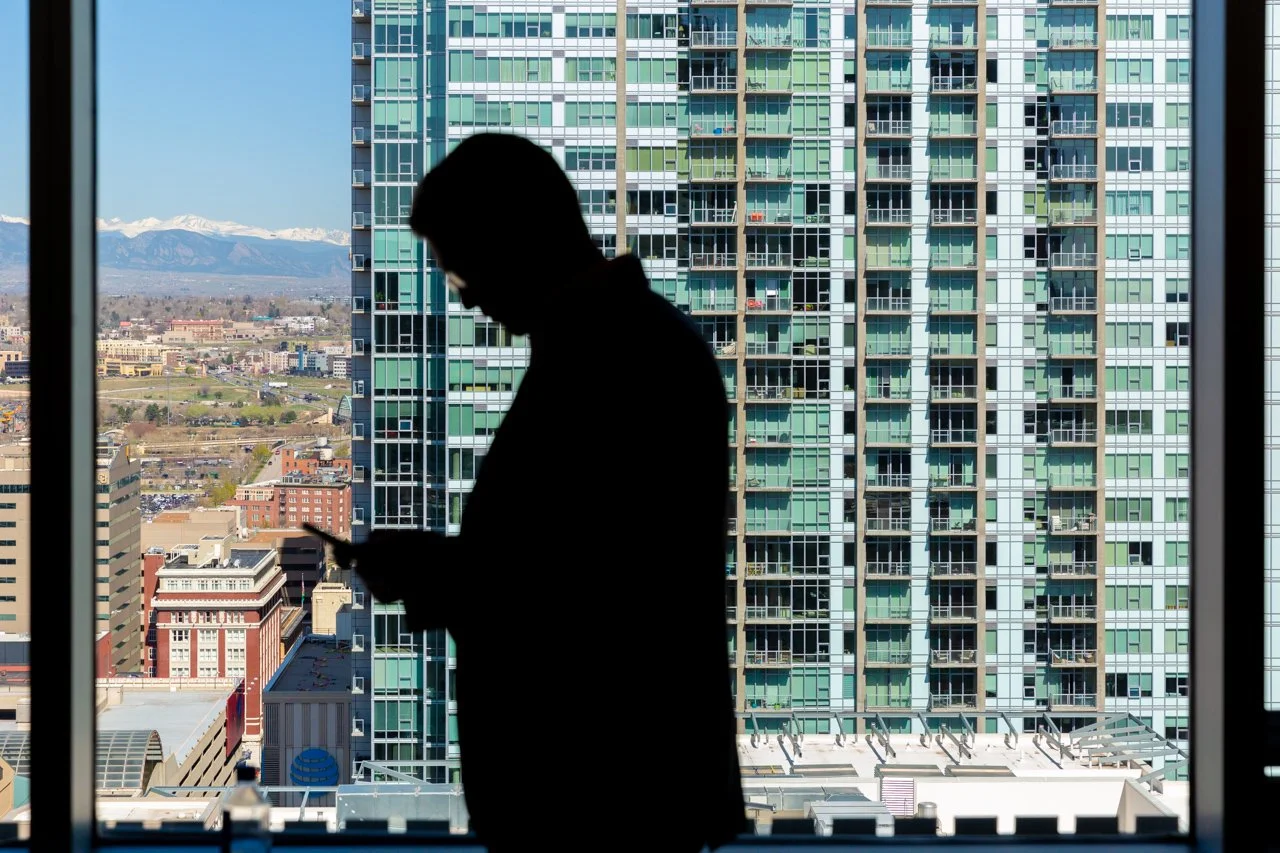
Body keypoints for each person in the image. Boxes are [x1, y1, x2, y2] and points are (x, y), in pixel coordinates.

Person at [333, 133, 746, 852]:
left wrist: (433, 571)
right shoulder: (637, 347)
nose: (466, 298)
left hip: (595, 804)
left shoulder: (611, 364)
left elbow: (584, 601)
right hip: (622, 796)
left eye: (462, 271)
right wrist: (443, 565)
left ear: (511, 240)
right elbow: (572, 561)